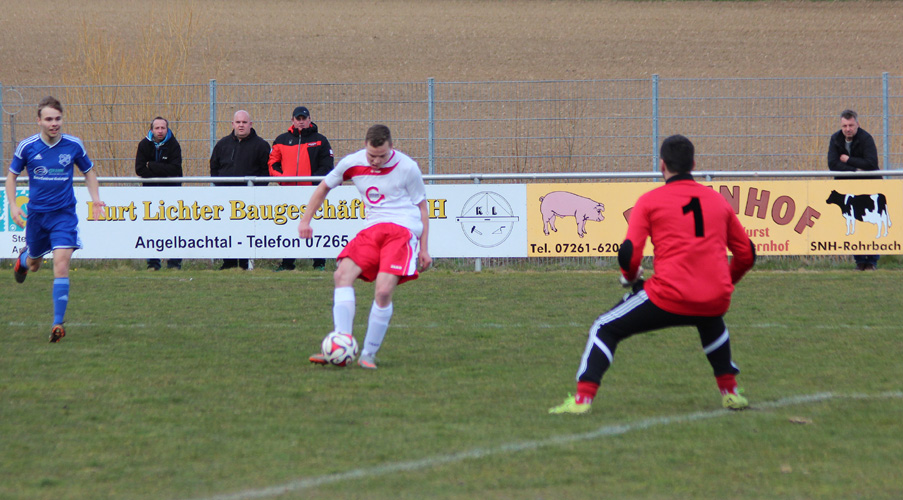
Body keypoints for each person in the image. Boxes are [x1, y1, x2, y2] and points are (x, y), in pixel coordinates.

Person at [549, 135, 756, 414]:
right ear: (693, 164)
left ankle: (582, 399)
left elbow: (630, 253)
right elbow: (746, 254)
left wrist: (631, 277)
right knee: (710, 319)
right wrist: (724, 284)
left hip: (667, 296)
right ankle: (730, 392)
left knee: (604, 327)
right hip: (714, 297)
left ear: (662, 165)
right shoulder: (718, 201)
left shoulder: (650, 201)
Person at [298, 124, 431, 370]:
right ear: (365, 148)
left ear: (392, 147)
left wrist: (424, 249)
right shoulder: (352, 163)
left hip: (402, 231)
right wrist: (305, 220)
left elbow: (422, 208)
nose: (376, 161)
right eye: (372, 156)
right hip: (372, 230)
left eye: (381, 156)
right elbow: (323, 187)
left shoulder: (408, 168)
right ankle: (341, 342)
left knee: (382, 292)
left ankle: (368, 354)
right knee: (341, 275)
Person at [6, 96, 106, 343]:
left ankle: (57, 324)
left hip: (64, 215)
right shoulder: (27, 146)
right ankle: (23, 259)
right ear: (39, 120)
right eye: (49, 119)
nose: (54, 123)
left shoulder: (73, 145)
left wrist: (95, 199)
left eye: (58, 119)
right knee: (35, 264)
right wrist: (13, 206)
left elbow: (89, 171)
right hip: (38, 216)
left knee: (61, 263)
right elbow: (11, 176)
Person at [269, 105, 334, 272]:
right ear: (292, 120)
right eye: (298, 119)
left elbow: (327, 166)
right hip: (288, 192)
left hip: (312, 193)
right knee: (288, 226)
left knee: (316, 225)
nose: (301, 121)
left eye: (304, 118)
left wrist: (313, 184)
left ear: (309, 120)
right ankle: (287, 263)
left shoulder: (320, 140)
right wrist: (283, 180)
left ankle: (319, 262)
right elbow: (273, 163)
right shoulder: (281, 140)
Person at [209, 109, 270, 270]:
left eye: (244, 122)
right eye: (238, 122)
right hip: (226, 197)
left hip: (249, 199)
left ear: (250, 124)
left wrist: (255, 191)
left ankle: (245, 263)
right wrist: (220, 187)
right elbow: (214, 167)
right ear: (232, 124)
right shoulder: (222, 144)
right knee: (227, 230)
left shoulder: (261, 145)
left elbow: (266, 172)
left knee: (246, 231)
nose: (241, 125)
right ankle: (228, 262)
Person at [827, 109, 881, 271]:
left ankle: (871, 262)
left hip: (869, 188)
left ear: (857, 124)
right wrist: (856, 169)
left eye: (851, 125)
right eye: (845, 125)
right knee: (853, 223)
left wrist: (848, 159)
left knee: (871, 224)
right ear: (841, 125)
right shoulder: (835, 139)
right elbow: (833, 164)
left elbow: (871, 163)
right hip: (848, 189)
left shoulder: (866, 138)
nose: (848, 129)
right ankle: (859, 262)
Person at [135, 116, 183, 270]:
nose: (160, 131)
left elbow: (175, 170)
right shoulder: (143, 145)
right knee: (150, 228)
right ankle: (153, 264)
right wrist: (161, 170)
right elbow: (140, 169)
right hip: (150, 194)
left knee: (174, 228)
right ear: (151, 130)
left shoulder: (174, 145)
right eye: (157, 128)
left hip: (171, 193)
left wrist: (152, 166)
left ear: (167, 129)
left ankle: (174, 264)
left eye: (163, 128)